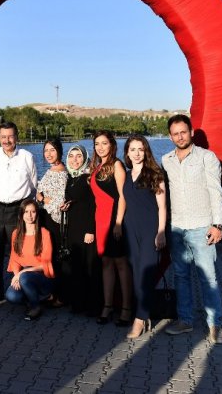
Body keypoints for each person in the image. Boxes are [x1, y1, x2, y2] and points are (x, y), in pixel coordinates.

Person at [161, 114, 222, 344]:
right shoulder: (166, 160)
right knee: (181, 276)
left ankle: (215, 325)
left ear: (191, 132)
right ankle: (185, 320)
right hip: (177, 228)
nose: (180, 136)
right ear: (170, 136)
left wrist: (217, 224)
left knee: (208, 278)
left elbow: (215, 192)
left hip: (202, 227)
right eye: (175, 133)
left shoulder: (207, 158)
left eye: (183, 132)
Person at [0, 121, 37, 303]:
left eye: (10, 136)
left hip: (18, 209)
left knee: (21, 251)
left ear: (17, 137)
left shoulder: (27, 157)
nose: (7, 140)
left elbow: (33, 185)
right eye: (3, 136)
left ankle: (24, 290)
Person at [123, 135, 167, 339]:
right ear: (127, 152)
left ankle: (139, 320)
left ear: (146, 151)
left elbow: (162, 206)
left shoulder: (155, 173)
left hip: (150, 230)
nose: (137, 153)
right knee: (135, 275)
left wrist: (161, 232)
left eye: (141, 149)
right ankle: (144, 314)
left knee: (145, 276)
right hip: (131, 230)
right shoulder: (126, 174)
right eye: (133, 149)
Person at [90, 130, 132, 327]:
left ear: (112, 145)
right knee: (106, 263)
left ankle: (126, 308)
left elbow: (123, 196)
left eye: (104, 143)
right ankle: (107, 306)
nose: (100, 147)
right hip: (100, 221)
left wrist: (118, 223)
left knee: (121, 265)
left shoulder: (116, 165)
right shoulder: (98, 167)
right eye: (97, 144)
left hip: (115, 221)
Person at [60, 144, 101, 316]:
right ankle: (77, 303)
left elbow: (93, 205)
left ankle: (92, 306)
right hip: (73, 227)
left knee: (88, 267)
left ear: (84, 158)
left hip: (86, 228)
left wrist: (90, 230)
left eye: (78, 156)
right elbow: (74, 200)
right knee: (76, 265)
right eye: (71, 156)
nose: (75, 160)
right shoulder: (71, 177)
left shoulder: (88, 178)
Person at [5, 200, 55, 321]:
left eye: (33, 211)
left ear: (37, 214)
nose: (29, 215)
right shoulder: (16, 234)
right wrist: (17, 275)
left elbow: (46, 264)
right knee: (11, 296)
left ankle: (35, 306)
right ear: (21, 214)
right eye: (26, 212)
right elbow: (14, 259)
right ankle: (40, 297)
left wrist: (22, 274)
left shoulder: (44, 233)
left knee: (25, 277)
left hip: (41, 276)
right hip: (24, 275)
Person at [35, 138, 68, 305]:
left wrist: (44, 199)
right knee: (50, 255)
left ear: (60, 152)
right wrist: (40, 196)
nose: (48, 154)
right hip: (47, 219)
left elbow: (62, 201)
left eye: (52, 150)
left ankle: (59, 296)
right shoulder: (52, 169)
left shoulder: (61, 172)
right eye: (46, 150)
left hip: (55, 221)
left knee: (55, 256)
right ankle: (52, 292)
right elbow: (40, 190)